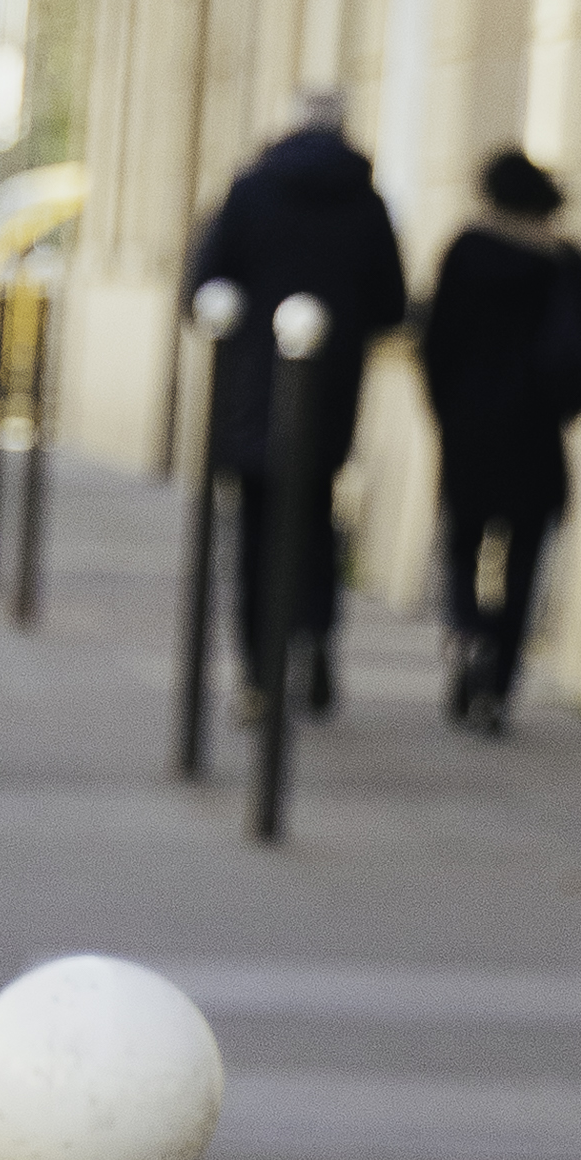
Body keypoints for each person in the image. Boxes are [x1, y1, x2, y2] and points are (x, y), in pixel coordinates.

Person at [188, 89, 409, 716]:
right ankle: (314, 640)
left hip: (252, 395)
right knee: (314, 521)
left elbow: (203, 287)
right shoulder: (367, 202)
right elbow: (391, 304)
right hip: (330, 396)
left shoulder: (251, 191)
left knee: (257, 532)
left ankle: (259, 675)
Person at [419, 148, 581, 732]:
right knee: (524, 559)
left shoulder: (466, 252)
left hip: (471, 426)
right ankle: (498, 685)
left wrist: (448, 412)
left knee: (463, 544)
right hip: (536, 429)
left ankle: (467, 630)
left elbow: (437, 343)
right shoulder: (564, 259)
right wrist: (562, 408)